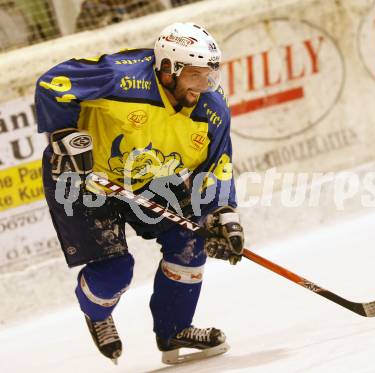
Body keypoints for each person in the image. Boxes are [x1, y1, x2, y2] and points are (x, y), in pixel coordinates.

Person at [35, 22, 244, 365]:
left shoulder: (212, 112)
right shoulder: (121, 78)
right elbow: (51, 85)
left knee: (191, 241)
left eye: (209, 75)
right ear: (167, 70)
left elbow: (216, 166)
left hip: (151, 179)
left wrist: (223, 216)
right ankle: (98, 314)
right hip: (86, 180)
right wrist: (64, 135)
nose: (204, 86)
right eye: (194, 75)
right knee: (115, 272)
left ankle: (174, 329)